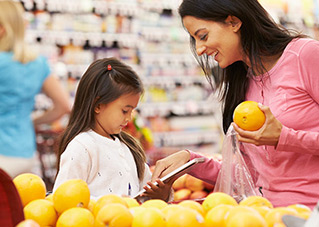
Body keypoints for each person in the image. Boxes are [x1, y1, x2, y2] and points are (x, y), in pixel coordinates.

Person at [151, 0, 319, 208]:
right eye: (194, 40)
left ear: (233, 22)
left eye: (202, 36)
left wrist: (284, 138)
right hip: (262, 215)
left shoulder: (305, 55)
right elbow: (244, 175)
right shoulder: (242, 81)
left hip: (310, 214)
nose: (200, 49)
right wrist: (190, 161)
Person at [53, 57, 172, 201]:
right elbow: (63, 198)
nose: (129, 118)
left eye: (132, 111)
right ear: (98, 105)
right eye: (124, 111)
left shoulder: (130, 147)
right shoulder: (82, 147)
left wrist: (161, 194)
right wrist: (112, 203)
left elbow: (144, 193)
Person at [0, 1, 71, 178]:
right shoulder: (37, 63)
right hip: (24, 154)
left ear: (2, 28)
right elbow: (63, 106)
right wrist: (31, 122)